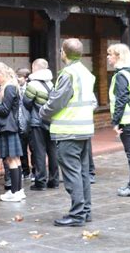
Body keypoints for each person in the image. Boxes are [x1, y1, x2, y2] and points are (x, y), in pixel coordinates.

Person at [40, 38, 96, 227]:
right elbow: (93, 102)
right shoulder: (86, 73)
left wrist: (43, 112)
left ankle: (77, 214)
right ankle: (85, 211)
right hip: (85, 129)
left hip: (68, 130)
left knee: (72, 174)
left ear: (63, 53)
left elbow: (56, 101)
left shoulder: (68, 74)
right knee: (82, 173)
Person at [107, 43, 130, 197]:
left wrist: (116, 122)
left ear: (118, 56)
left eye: (110, 54)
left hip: (127, 119)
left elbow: (121, 100)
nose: (108, 57)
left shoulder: (121, 75)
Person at [0, 62, 25, 202]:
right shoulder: (11, 86)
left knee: (12, 159)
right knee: (14, 159)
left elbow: (4, 110)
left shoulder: (9, 87)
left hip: (8, 127)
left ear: (0, 74)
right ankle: (18, 190)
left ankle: (15, 191)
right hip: (11, 127)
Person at [23, 59, 59, 191]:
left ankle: (40, 181)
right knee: (53, 151)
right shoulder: (51, 83)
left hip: (37, 122)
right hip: (51, 121)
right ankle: (54, 180)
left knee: (39, 152)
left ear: (35, 68)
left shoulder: (33, 84)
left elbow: (26, 102)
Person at [16, 67, 35, 181]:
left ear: (26, 78)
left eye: (19, 77)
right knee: (22, 150)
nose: (17, 79)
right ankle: (25, 171)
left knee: (34, 149)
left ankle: (35, 171)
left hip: (31, 123)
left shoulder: (31, 89)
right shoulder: (15, 89)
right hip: (20, 123)